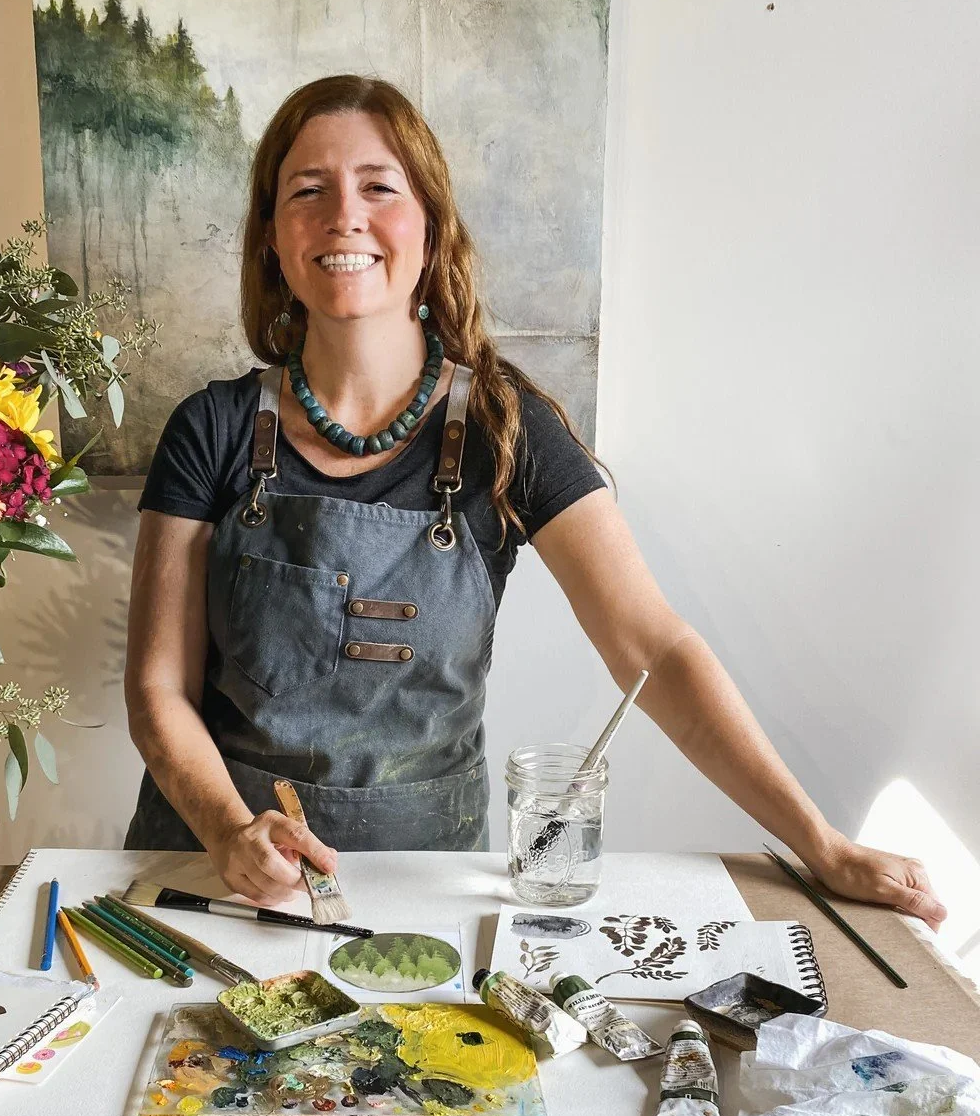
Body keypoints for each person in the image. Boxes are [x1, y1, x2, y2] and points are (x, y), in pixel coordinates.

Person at [123, 74, 946, 931]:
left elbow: (654, 650)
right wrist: (228, 832)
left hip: (426, 898)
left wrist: (823, 845)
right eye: (308, 191)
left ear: (431, 225)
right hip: (212, 884)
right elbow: (158, 689)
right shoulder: (210, 430)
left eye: (378, 187)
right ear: (271, 235)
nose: (344, 217)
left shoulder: (506, 429)